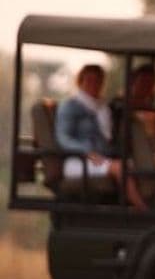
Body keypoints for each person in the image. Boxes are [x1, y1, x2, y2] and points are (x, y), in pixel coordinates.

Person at [55, 64, 147, 210]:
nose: (94, 84)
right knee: (119, 168)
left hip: (102, 158)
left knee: (134, 165)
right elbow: (63, 138)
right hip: (79, 161)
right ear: (81, 81)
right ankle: (142, 209)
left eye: (98, 81)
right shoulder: (70, 106)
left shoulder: (103, 107)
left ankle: (135, 204)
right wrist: (86, 151)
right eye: (89, 80)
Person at [110, 63, 155, 144]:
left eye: (151, 83)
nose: (146, 86)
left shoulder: (152, 109)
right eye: (143, 82)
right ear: (133, 82)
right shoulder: (118, 105)